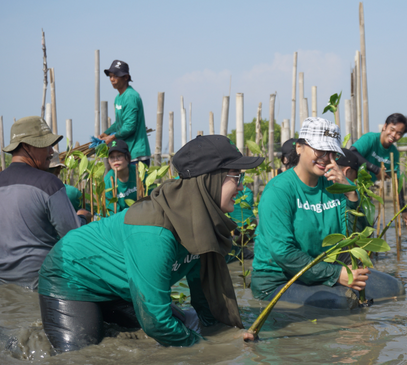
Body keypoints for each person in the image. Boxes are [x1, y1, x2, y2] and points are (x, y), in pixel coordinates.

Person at [38, 135, 264, 352]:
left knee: (185, 324)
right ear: (209, 181)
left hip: (121, 286)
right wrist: (207, 347)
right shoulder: (155, 233)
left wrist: (226, 334)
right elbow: (156, 322)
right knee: (81, 355)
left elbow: (203, 295)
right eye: (237, 177)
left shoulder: (201, 223)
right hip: (71, 276)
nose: (242, 187)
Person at [251, 117, 404, 309]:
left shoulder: (335, 186)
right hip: (280, 280)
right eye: (320, 150)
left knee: (394, 288)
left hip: (323, 271)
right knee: (346, 301)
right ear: (299, 147)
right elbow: (284, 253)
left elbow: (356, 240)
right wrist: (336, 274)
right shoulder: (279, 190)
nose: (326, 158)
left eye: (332, 152)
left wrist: (350, 193)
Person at [0, 117, 91, 289]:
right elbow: (73, 236)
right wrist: (83, 219)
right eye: (45, 145)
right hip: (40, 284)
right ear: (27, 146)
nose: (51, 151)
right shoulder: (48, 184)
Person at [350, 113, 407, 225]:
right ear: (385, 126)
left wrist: (404, 210)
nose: (393, 135)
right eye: (392, 129)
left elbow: (397, 181)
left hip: (365, 192)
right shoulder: (370, 139)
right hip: (349, 187)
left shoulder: (393, 153)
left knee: (366, 226)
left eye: (399, 133)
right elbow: (352, 153)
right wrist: (376, 169)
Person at [98, 60, 151, 166]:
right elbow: (120, 122)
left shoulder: (131, 96)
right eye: (110, 76)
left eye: (116, 76)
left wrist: (112, 138)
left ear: (126, 77)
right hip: (127, 153)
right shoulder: (118, 98)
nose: (112, 79)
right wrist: (106, 133)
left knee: (137, 183)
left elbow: (129, 127)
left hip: (137, 154)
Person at [104, 139, 143, 213]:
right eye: (111, 157)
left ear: (128, 157)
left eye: (119, 155)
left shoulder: (139, 173)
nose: (116, 160)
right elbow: (112, 214)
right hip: (119, 221)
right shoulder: (107, 182)